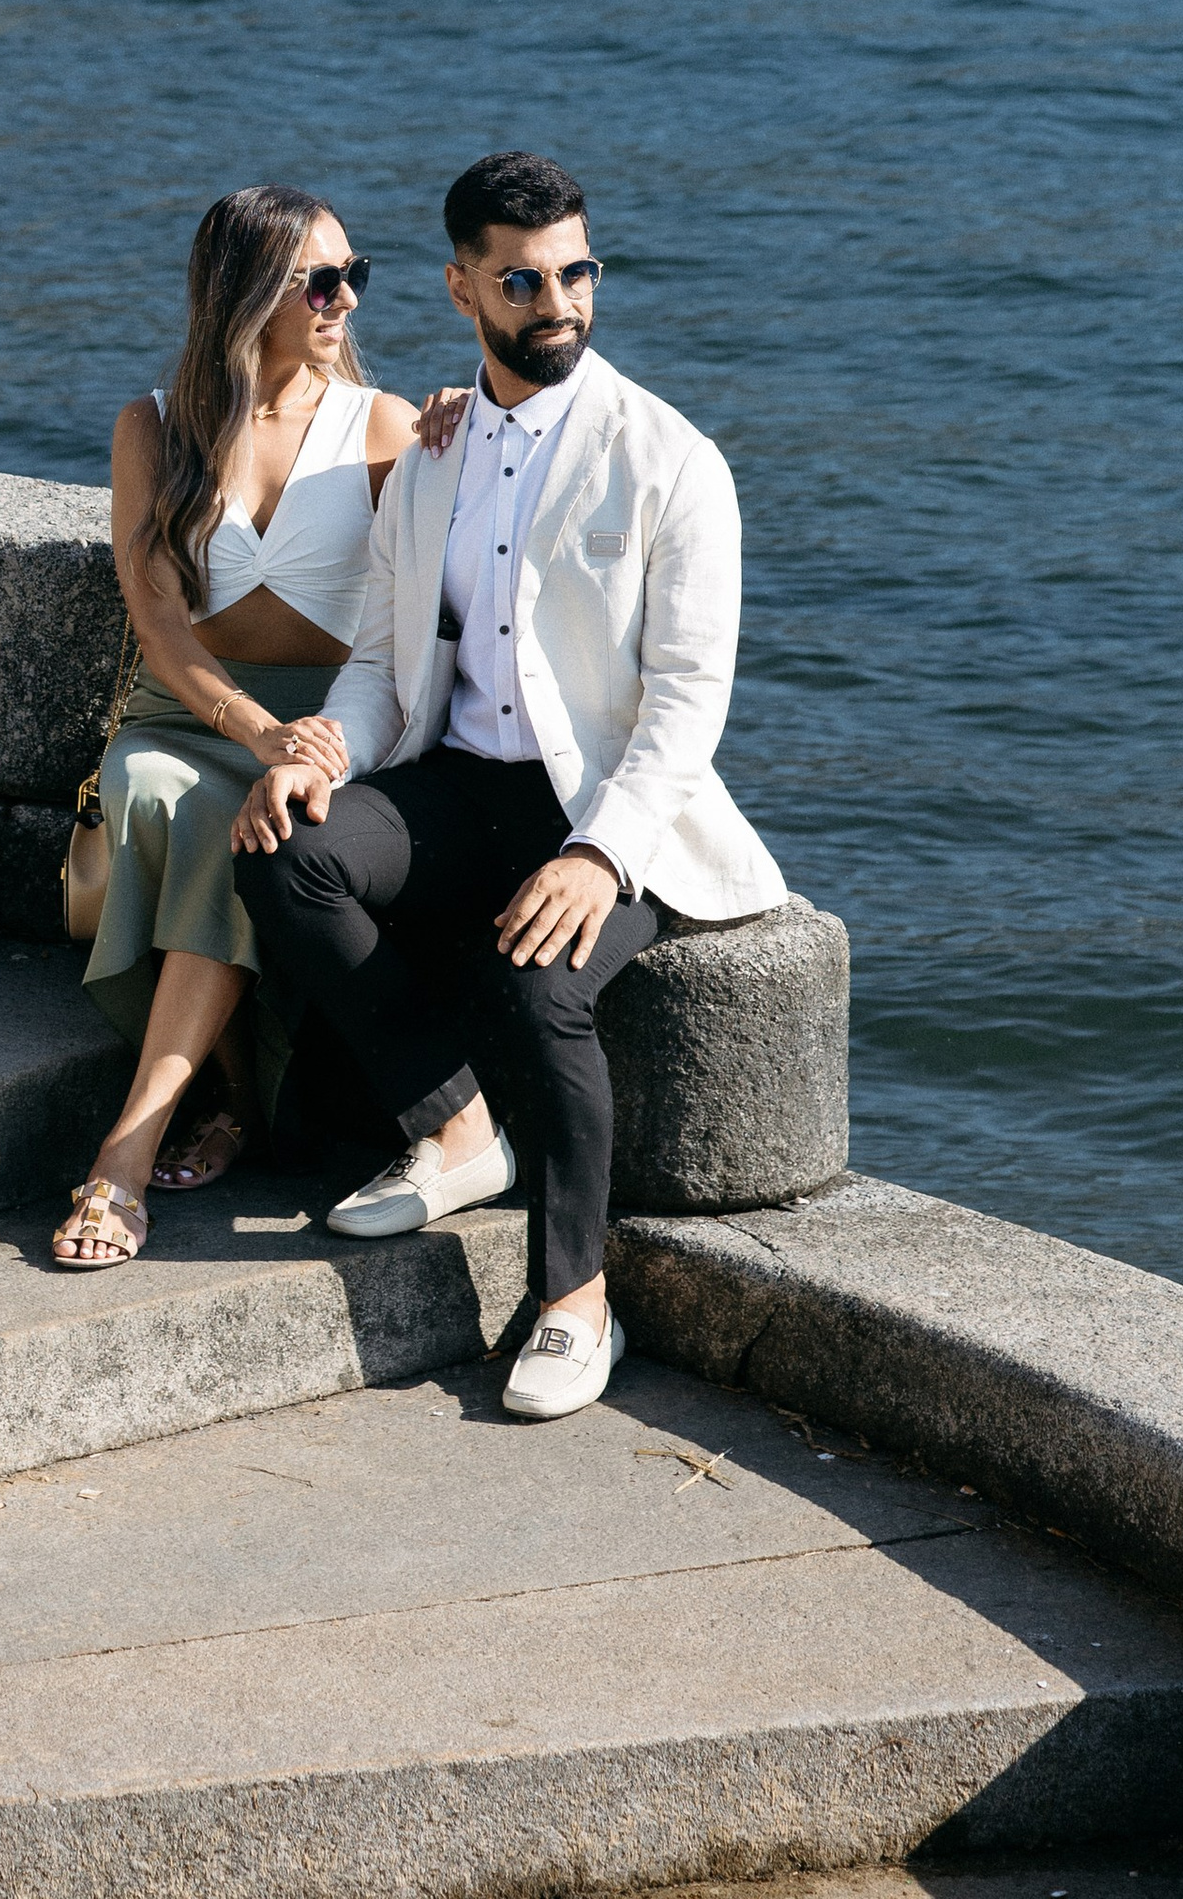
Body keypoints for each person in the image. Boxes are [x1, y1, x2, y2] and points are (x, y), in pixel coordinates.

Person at [232, 150, 784, 1419]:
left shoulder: (671, 459)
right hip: (459, 781)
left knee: (537, 982)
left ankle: (577, 1301)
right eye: (522, 281)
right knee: (283, 852)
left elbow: (687, 700)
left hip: (610, 811)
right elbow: (382, 662)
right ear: (461, 289)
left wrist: (598, 854)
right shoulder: (433, 454)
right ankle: (457, 1129)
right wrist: (320, 753)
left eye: (576, 274)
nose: (558, 303)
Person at [52, 185, 466, 1269]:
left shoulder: (385, 426)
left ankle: (130, 1150)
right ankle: (230, 1098)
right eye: (317, 281)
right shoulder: (154, 428)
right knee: (163, 791)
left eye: (352, 275)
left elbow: (461, 564)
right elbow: (155, 621)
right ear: (242, 291)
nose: (345, 299)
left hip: (326, 720)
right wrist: (250, 728)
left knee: (244, 820)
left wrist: (463, 436)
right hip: (190, 709)